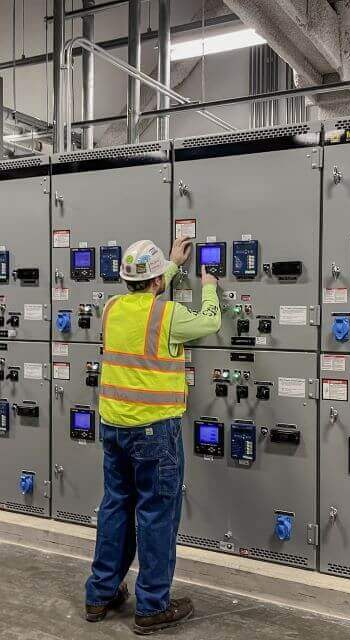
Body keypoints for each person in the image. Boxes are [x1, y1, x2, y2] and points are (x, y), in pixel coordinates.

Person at [84, 237, 221, 635]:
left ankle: (100, 595)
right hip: (154, 432)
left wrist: (171, 266)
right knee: (157, 516)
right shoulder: (169, 314)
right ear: (158, 279)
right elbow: (209, 322)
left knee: (115, 509)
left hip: (113, 428)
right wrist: (209, 285)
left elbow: (146, 299)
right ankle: (152, 606)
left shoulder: (110, 309)